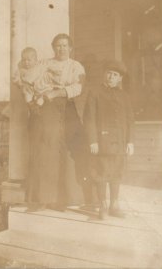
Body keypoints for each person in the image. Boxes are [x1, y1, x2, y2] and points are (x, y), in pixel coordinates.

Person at [26, 33, 86, 211]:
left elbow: (78, 87)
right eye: (58, 46)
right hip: (48, 109)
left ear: (71, 48)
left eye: (65, 45)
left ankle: (69, 198)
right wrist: (34, 97)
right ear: (53, 48)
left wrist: (55, 92)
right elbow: (28, 80)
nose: (61, 49)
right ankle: (46, 198)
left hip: (68, 107)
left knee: (68, 149)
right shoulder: (44, 64)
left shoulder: (76, 66)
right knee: (48, 150)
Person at [83, 60, 134, 219]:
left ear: (120, 79)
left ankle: (114, 204)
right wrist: (93, 140)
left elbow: (129, 120)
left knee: (117, 172)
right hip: (102, 142)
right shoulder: (95, 93)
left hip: (119, 142)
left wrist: (130, 141)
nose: (111, 77)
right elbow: (89, 119)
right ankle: (102, 205)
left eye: (115, 75)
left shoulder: (124, 96)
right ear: (104, 75)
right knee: (102, 172)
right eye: (109, 73)